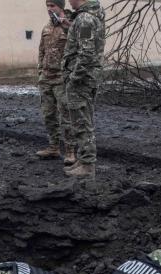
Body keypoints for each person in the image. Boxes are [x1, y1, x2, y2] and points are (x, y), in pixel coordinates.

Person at [62, 0, 105, 179]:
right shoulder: (88, 16)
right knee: (83, 119)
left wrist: (74, 78)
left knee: (81, 121)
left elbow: (86, 53)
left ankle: (87, 165)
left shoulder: (85, 19)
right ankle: (84, 159)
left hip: (81, 81)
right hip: (87, 78)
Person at [35, 0, 75, 167]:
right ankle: (53, 147)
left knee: (66, 115)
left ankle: (70, 151)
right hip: (46, 78)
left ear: (60, 7)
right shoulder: (46, 28)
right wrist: (40, 72)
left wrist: (71, 75)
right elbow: (41, 51)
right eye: (48, 6)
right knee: (48, 114)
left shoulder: (71, 26)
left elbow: (77, 50)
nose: (49, 9)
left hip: (62, 79)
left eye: (53, 6)